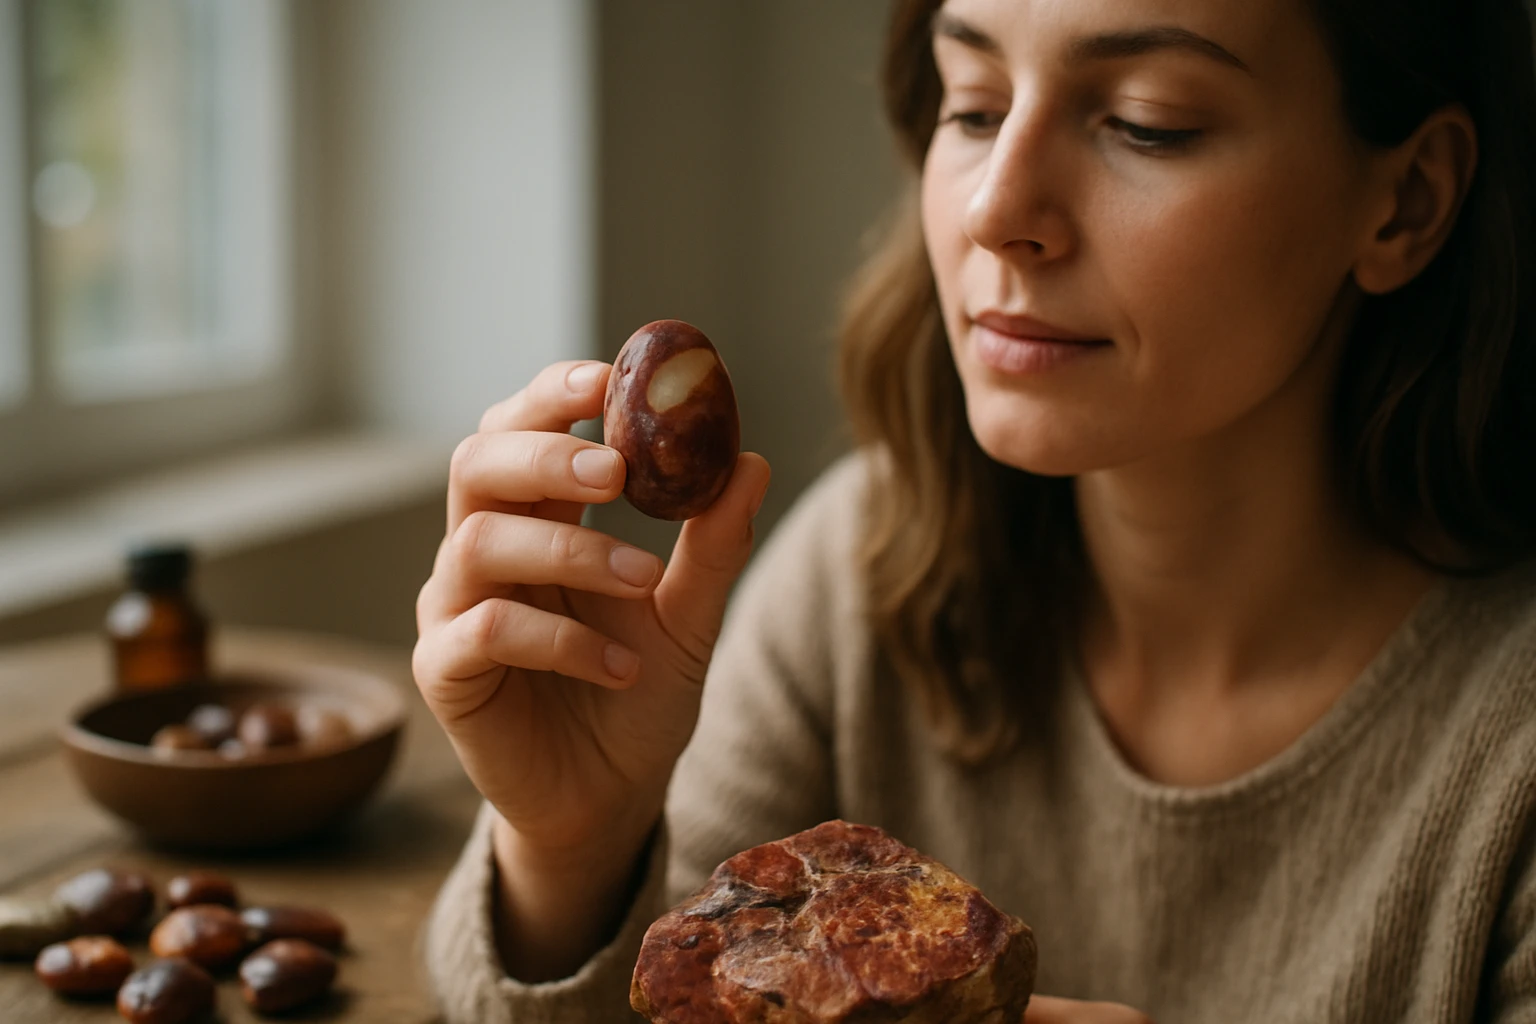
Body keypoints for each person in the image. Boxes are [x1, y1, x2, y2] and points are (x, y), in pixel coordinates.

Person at [411, 0, 1536, 1019]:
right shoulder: (864, 569)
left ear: (1406, 202)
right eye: (975, 107)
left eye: (1148, 123)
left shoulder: (1509, 750)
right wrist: (574, 848)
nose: (996, 208)